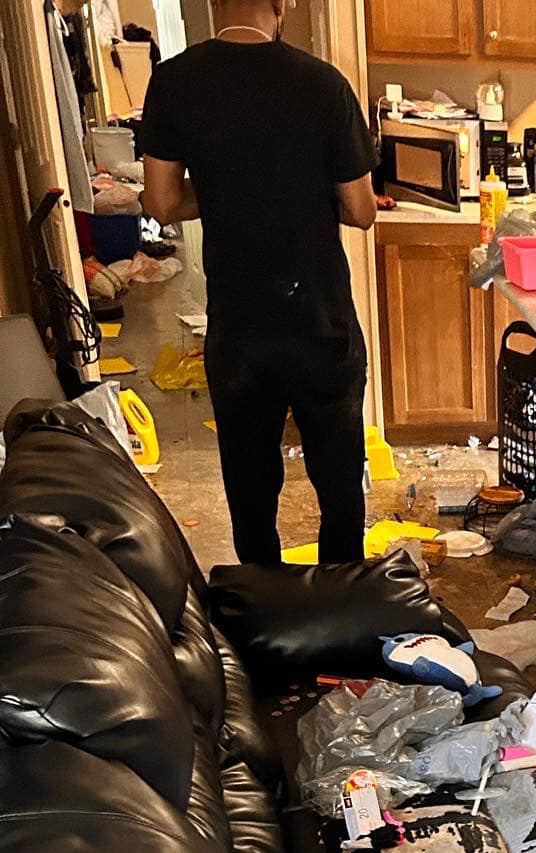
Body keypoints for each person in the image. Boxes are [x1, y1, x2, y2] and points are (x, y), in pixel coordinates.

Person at [140, 0, 377, 564]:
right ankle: (342, 611)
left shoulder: (173, 82)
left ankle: (263, 615)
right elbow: (362, 209)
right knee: (339, 483)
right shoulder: (324, 85)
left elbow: (163, 202)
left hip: (240, 328)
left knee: (250, 492)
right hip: (320, 321)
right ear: (284, 2)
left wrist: (227, 190)